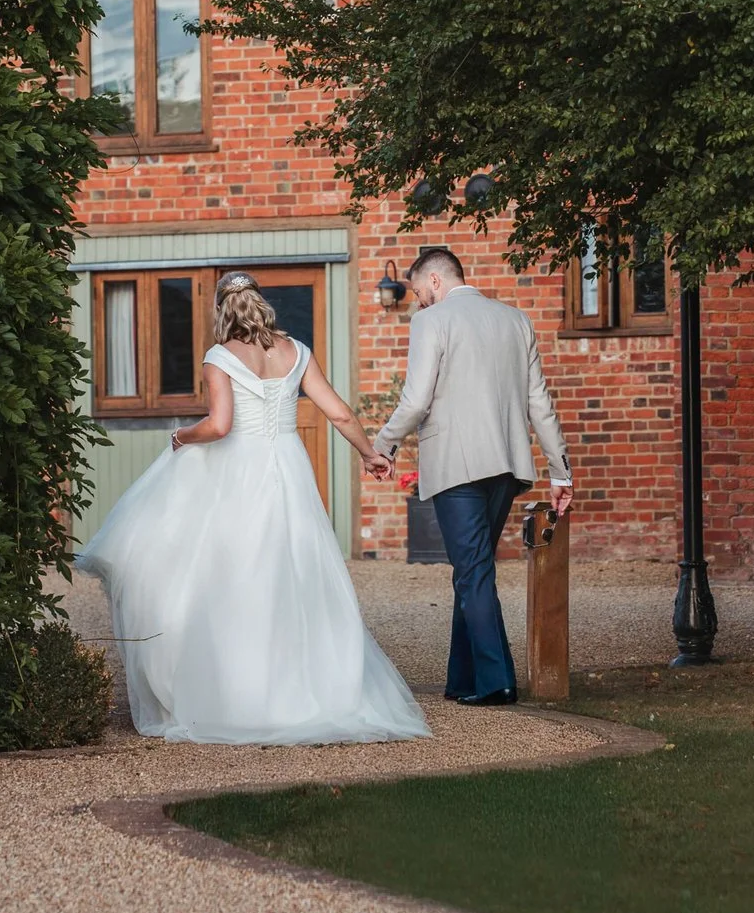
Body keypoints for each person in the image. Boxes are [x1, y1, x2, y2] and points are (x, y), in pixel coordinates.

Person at [72, 273, 427, 745]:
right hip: (289, 468)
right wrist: (369, 452)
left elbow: (219, 426)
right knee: (297, 572)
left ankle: (241, 694)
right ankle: (311, 689)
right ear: (261, 304)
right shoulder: (297, 351)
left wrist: (180, 436)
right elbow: (339, 413)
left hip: (239, 472)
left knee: (236, 576)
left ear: (222, 309)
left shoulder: (218, 357)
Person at [368, 247, 572, 706]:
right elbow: (539, 402)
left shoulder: (431, 322)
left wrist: (382, 445)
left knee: (473, 570)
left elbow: (417, 399)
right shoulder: (515, 320)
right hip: (506, 467)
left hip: (456, 465)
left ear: (436, 281)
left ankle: (498, 681)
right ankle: (462, 679)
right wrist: (561, 473)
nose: (419, 301)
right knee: (473, 568)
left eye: (420, 291)